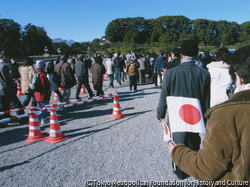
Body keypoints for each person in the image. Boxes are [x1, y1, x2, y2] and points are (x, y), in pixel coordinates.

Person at [168, 45, 250, 182]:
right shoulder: (203, 72)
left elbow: (208, 167)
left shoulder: (225, 115)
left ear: (238, 77)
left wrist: (178, 152)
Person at [156, 40, 210, 179]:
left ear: (181, 55)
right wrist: (206, 119)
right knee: (193, 141)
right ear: (196, 54)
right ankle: (194, 168)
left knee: (177, 142)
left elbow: (164, 96)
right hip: (196, 114)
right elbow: (206, 99)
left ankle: (180, 170)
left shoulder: (171, 73)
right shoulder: (204, 74)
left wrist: (160, 113)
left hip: (176, 114)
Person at [0, 51, 27, 127]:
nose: (8, 59)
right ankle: (22, 119)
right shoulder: (3, 66)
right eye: (8, 57)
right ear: (4, 57)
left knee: (3, 106)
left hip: (1, 90)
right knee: (17, 104)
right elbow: (7, 79)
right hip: (6, 89)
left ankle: (2, 121)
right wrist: (14, 84)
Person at [34, 60, 51, 124]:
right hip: (43, 94)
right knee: (45, 107)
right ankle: (38, 117)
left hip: (37, 94)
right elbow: (45, 84)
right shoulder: (42, 75)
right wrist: (48, 88)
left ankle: (43, 119)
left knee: (41, 107)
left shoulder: (36, 74)